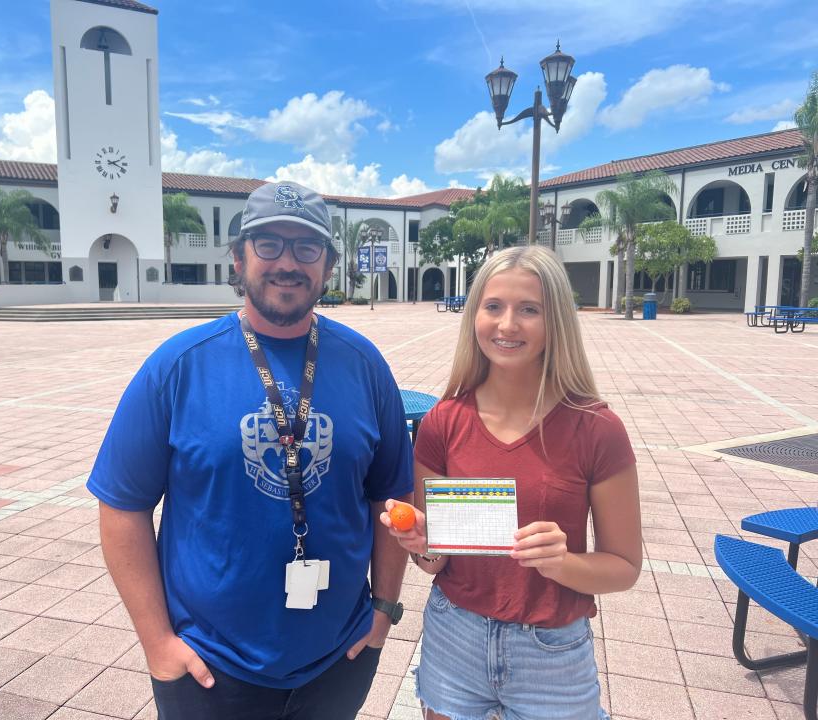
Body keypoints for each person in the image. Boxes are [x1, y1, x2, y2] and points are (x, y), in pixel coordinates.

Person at [88, 180, 414, 720]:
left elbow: (391, 494)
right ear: (238, 258)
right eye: (269, 245)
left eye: (306, 247)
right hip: (209, 667)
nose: (288, 263)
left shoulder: (364, 364)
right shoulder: (178, 366)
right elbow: (122, 504)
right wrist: (156, 642)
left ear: (328, 266)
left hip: (339, 657)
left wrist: (383, 610)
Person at [382, 246, 641, 720]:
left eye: (529, 310)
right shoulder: (443, 422)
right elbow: (437, 564)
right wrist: (422, 542)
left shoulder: (597, 429)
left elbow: (624, 567)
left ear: (556, 321)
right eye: (493, 307)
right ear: (474, 315)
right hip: (453, 636)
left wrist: (562, 564)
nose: (507, 325)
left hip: (552, 650)